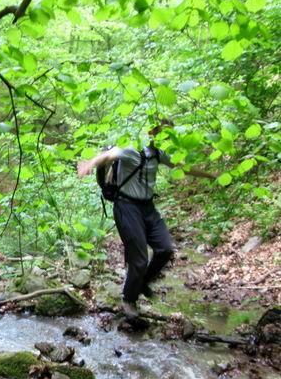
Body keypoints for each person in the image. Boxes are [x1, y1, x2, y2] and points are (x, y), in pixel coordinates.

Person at [77, 120, 216, 319]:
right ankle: (129, 299)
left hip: (148, 208)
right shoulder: (132, 149)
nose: (167, 137)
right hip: (126, 207)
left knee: (165, 249)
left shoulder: (159, 153)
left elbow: (183, 167)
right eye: (164, 133)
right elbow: (108, 155)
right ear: (152, 131)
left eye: (169, 134)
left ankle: (142, 283)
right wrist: (89, 164)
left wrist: (212, 175)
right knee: (140, 260)